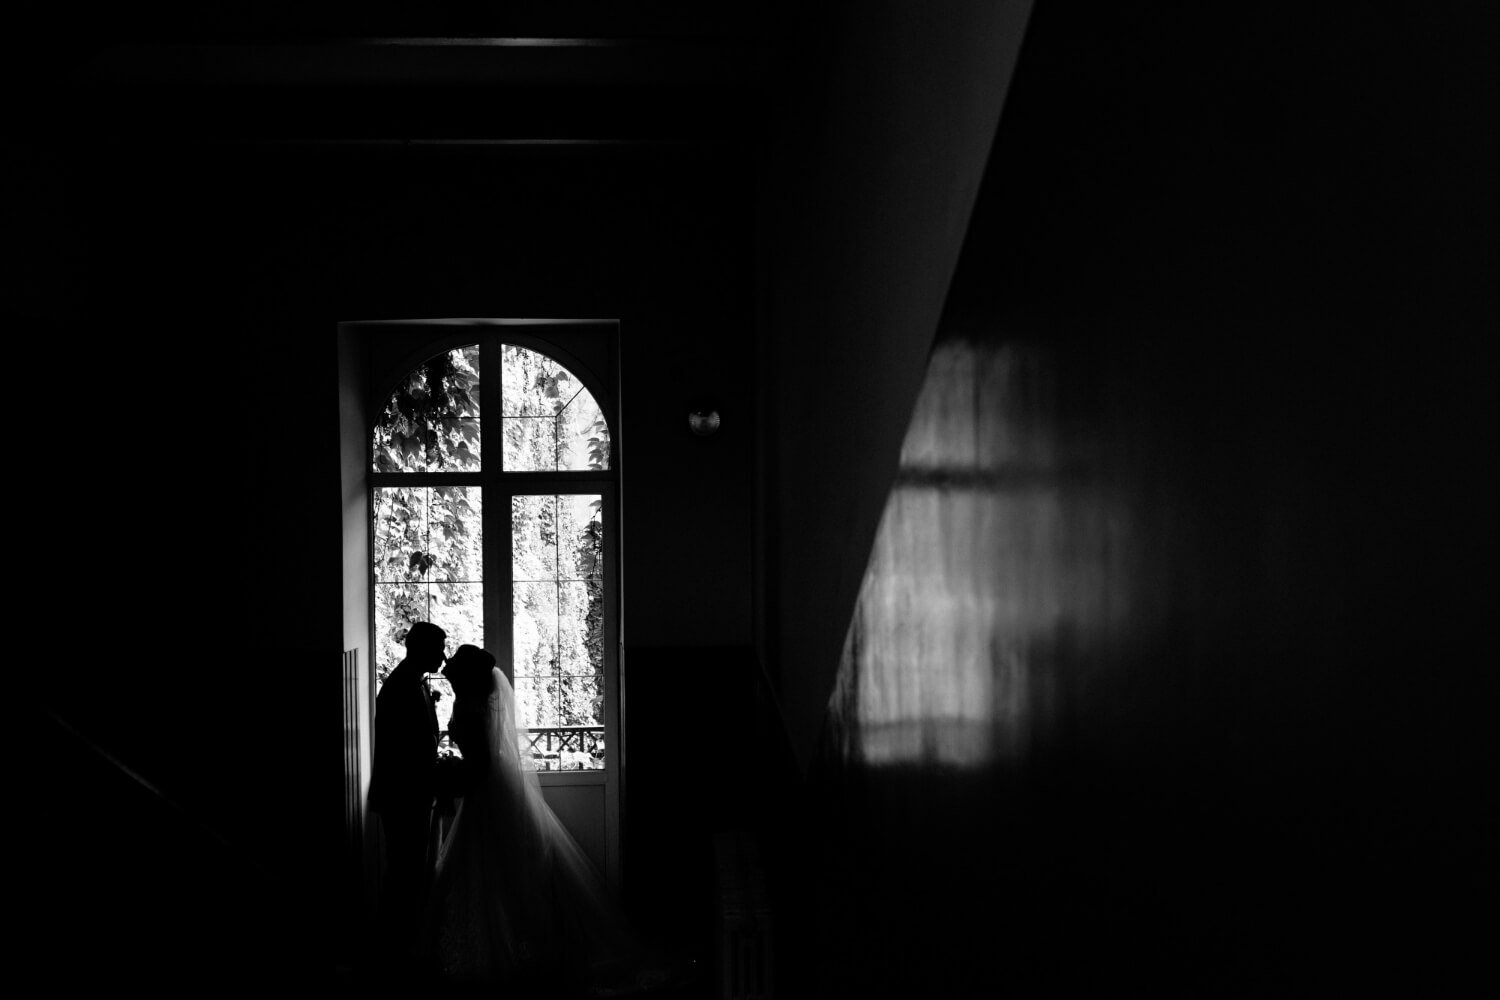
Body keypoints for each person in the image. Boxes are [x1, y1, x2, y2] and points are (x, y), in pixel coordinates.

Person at [424, 644, 636, 992]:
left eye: (455, 673)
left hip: (485, 792)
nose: (449, 676)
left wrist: (454, 773)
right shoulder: (480, 703)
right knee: (498, 867)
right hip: (493, 788)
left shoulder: (467, 706)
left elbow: (479, 764)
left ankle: (497, 953)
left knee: (485, 868)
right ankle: (510, 947)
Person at [368, 621, 447, 965]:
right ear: (421, 649)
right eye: (438, 649)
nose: (443, 657)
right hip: (403, 796)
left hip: (410, 794)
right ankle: (395, 951)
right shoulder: (400, 686)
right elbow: (403, 751)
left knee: (409, 872)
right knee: (404, 873)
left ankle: (400, 945)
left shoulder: (412, 682)